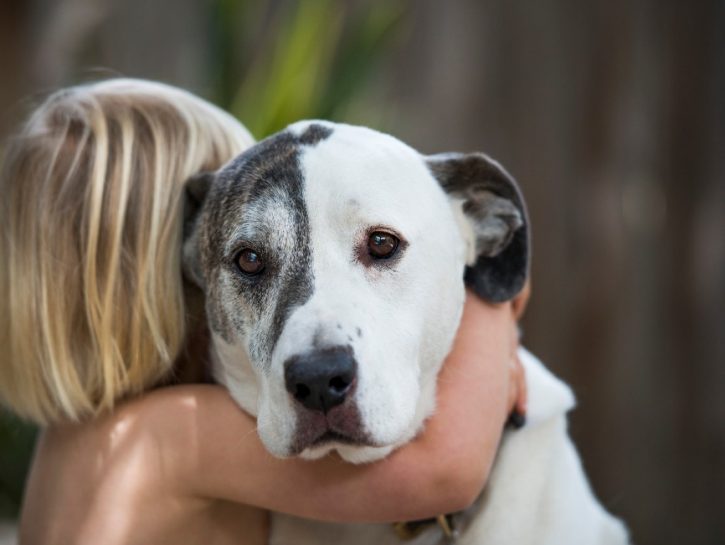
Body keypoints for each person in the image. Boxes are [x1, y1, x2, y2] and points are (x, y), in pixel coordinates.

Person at [0, 79, 528, 545]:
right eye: (249, 259)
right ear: (177, 268)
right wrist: (494, 316)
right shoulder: (166, 435)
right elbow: (444, 474)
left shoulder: (77, 438)